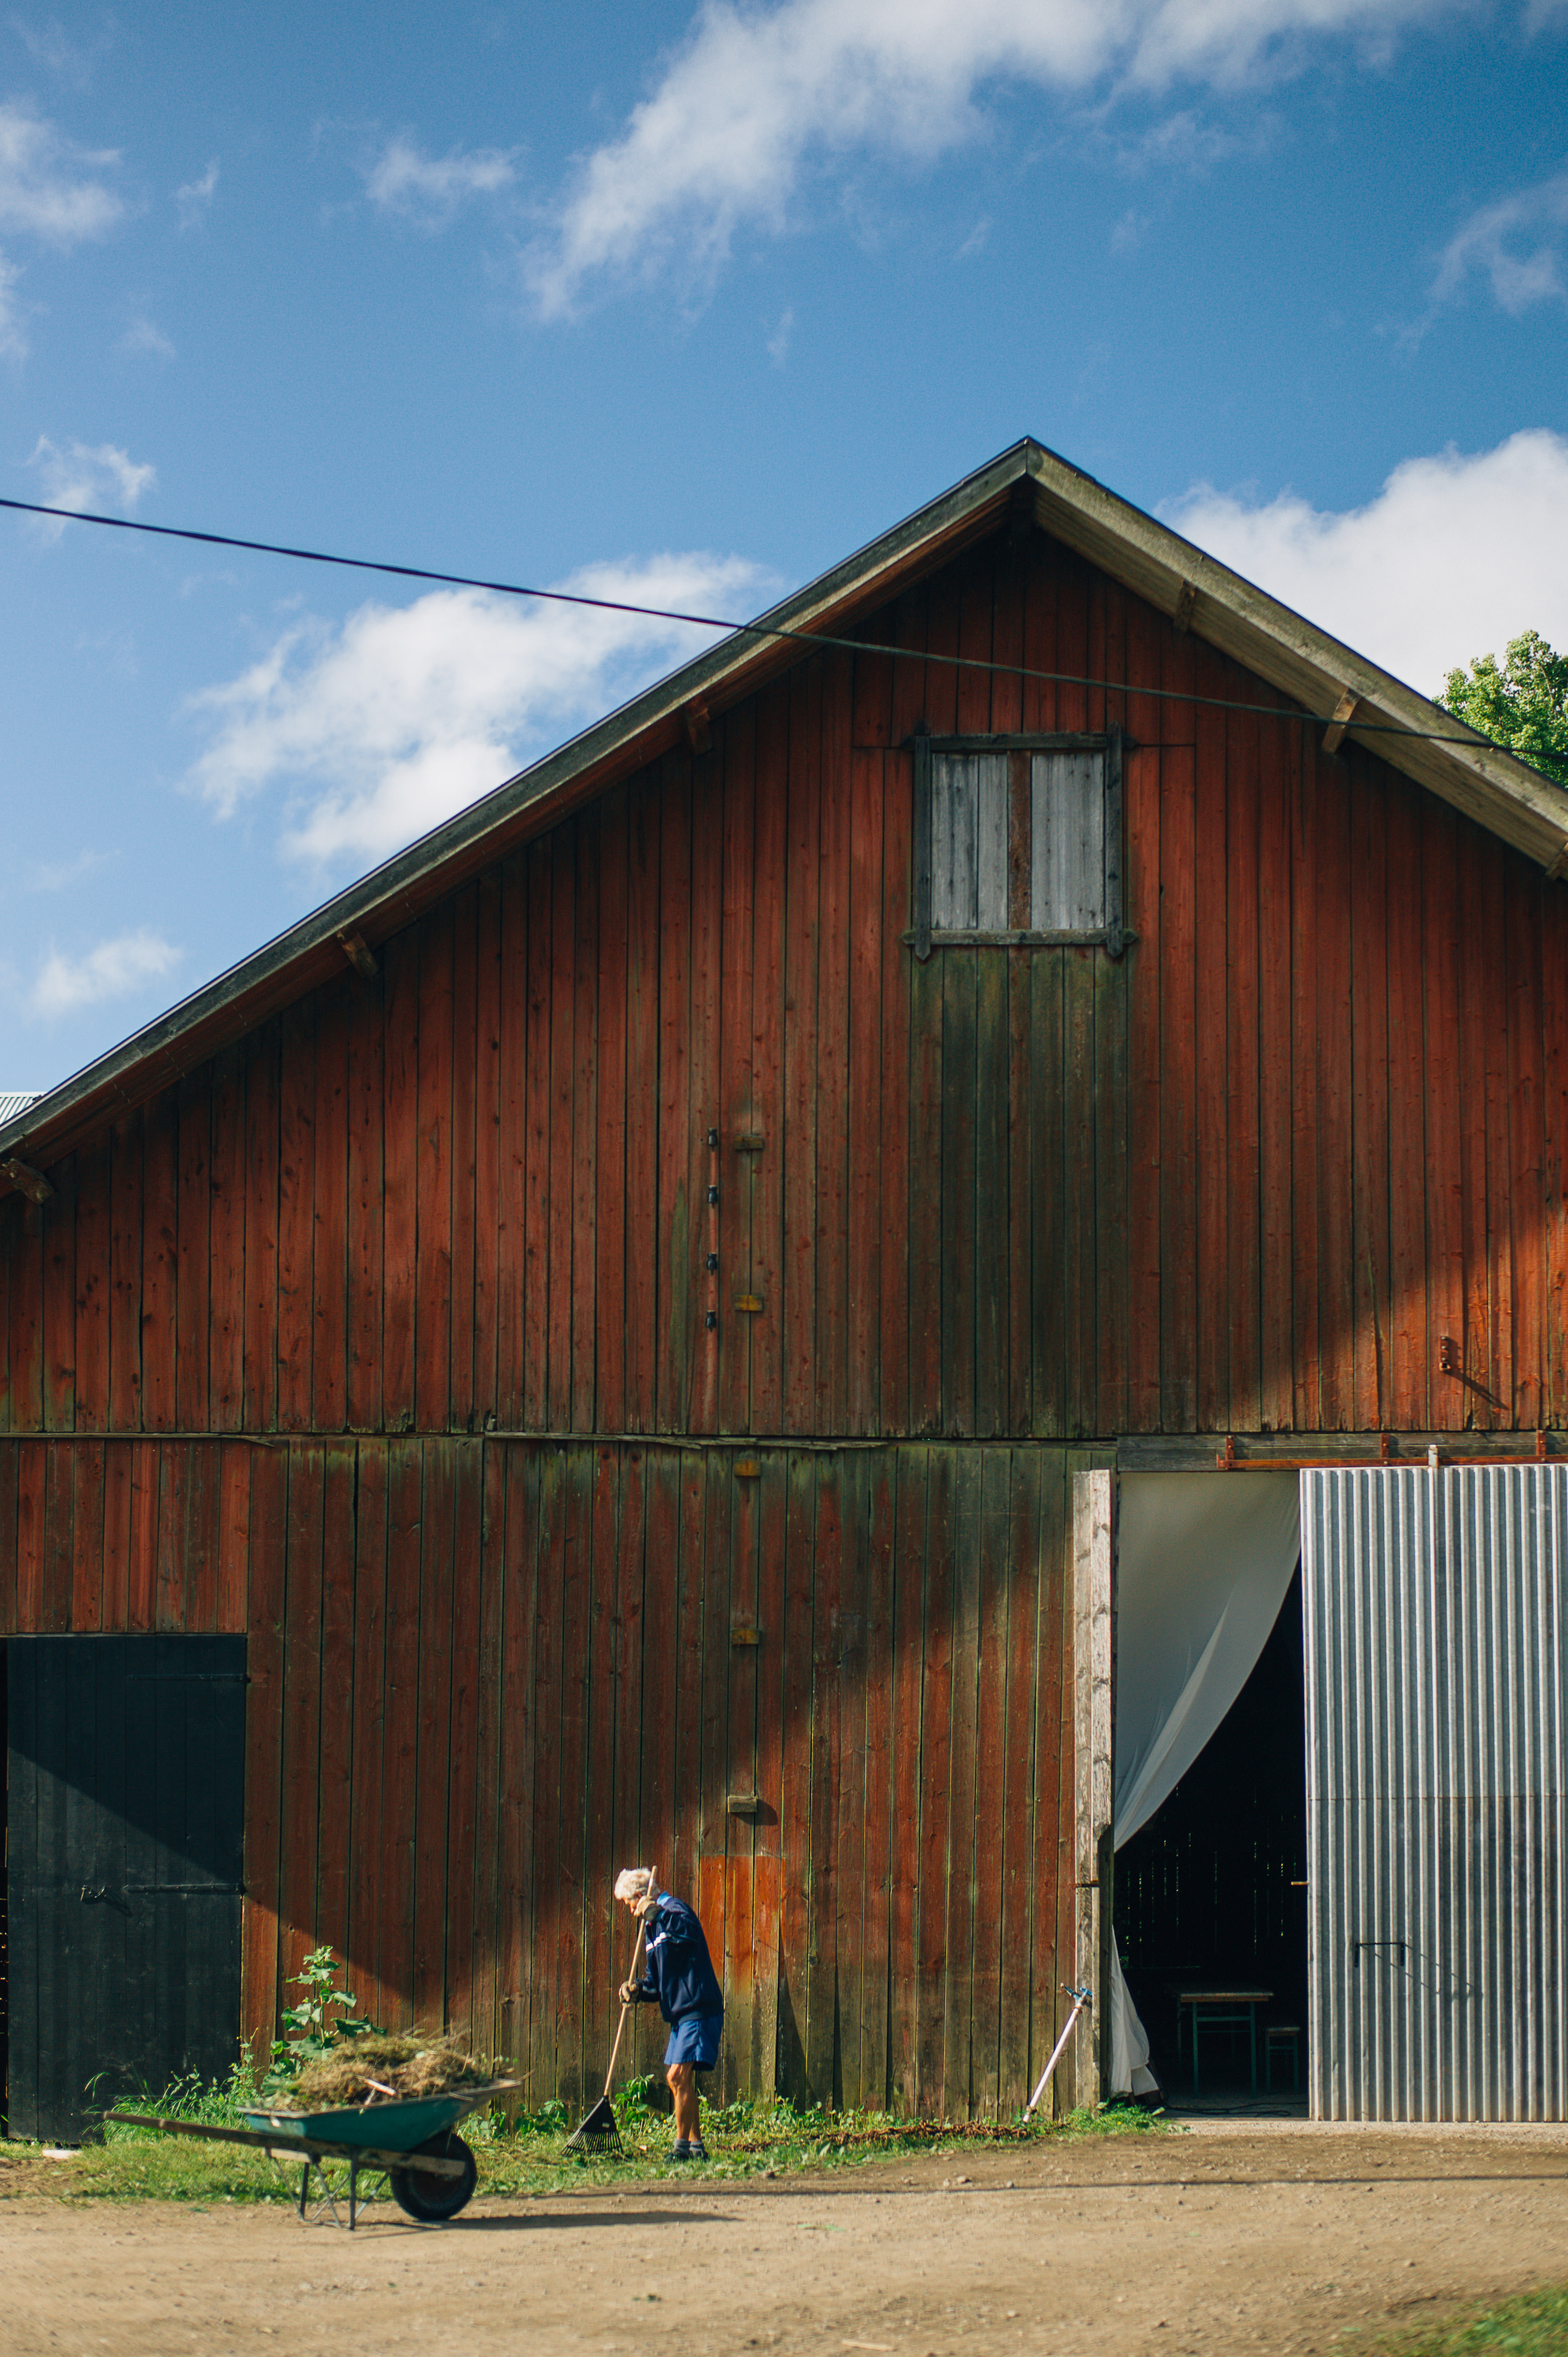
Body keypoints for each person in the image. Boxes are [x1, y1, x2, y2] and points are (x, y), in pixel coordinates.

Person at [614, 1866, 724, 2160]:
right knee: (677, 2080)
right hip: (679, 2013)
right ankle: (697, 2147)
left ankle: (681, 2150)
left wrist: (658, 1914)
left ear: (640, 1896)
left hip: (698, 2007)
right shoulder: (651, 1929)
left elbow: (689, 1932)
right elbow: (656, 1982)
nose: (631, 1912)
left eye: (630, 1905)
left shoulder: (673, 1910)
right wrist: (637, 1990)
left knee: (677, 2076)